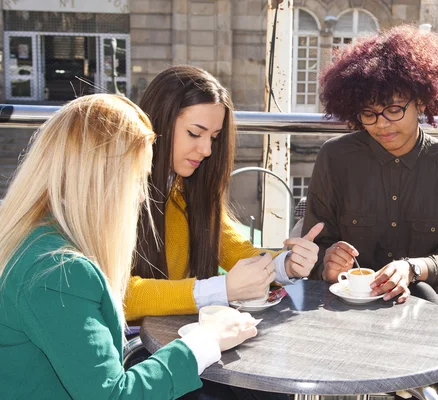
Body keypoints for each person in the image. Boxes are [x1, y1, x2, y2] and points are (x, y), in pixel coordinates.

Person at [0, 94, 258, 399]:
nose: (140, 196)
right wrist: (206, 340)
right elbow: (114, 395)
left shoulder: (34, 237)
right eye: (137, 179)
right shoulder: (60, 272)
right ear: (100, 178)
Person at [302, 25, 438, 399]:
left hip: (425, 304)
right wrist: (327, 260)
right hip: (344, 308)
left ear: (421, 100)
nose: (382, 124)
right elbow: (315, 243)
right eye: (369, 114)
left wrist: (412, 268)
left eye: (394, 109)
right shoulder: (335, 158)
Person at [130, 66, 322, 399]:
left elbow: (240, 252)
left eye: (214, 138)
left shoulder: (191, 192)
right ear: (157, 124)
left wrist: (287, 265)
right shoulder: (117, 194)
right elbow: (116, 295)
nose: (206, 149)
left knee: (270, 386)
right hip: (135, 354)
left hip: (187, 340)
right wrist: (220, 289)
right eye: (195, 133)